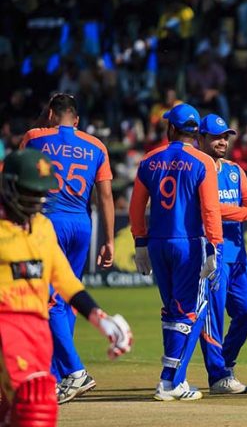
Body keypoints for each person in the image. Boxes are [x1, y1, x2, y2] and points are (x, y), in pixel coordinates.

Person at [0, 148, 131, 427]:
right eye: (29, 192)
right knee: (36, 406)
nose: (37, 200)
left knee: (15, 410)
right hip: (6, 325)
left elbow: (65, 280)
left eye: (41, 193)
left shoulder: (43, 227)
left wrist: (99, 317)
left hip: (37, 328)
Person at [20, 93, 115, 404]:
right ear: (76, 120)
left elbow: (17, 177)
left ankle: (74, 371)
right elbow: (105, 198)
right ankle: (58, 376)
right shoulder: (96, 146)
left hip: (48, 223)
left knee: (47, 301)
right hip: (82, 225)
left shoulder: (35, 137)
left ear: (50, 114)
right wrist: (109, 240)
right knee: (68, 297)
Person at [128, 103, 223, 401]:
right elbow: (210, 208)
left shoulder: (149, 159)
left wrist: (140, 242)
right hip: (189, 243)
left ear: (171, 128)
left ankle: (170, 377)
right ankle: (171, 381)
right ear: (195, 132)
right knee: (195, 310)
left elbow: (135, 207)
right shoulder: (202, 161)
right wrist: (214, 247)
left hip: (158, 242)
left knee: (172, 311)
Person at [197, 114, 247, 395]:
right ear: (201, 139)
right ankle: (218, 375)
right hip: (210, 252)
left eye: (225, 137)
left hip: (237, 254)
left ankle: (226, 362)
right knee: (213, 316)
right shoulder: (197, 169)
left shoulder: (234, 170)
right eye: (216, 137)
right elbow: (210, 210)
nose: (222, 142)